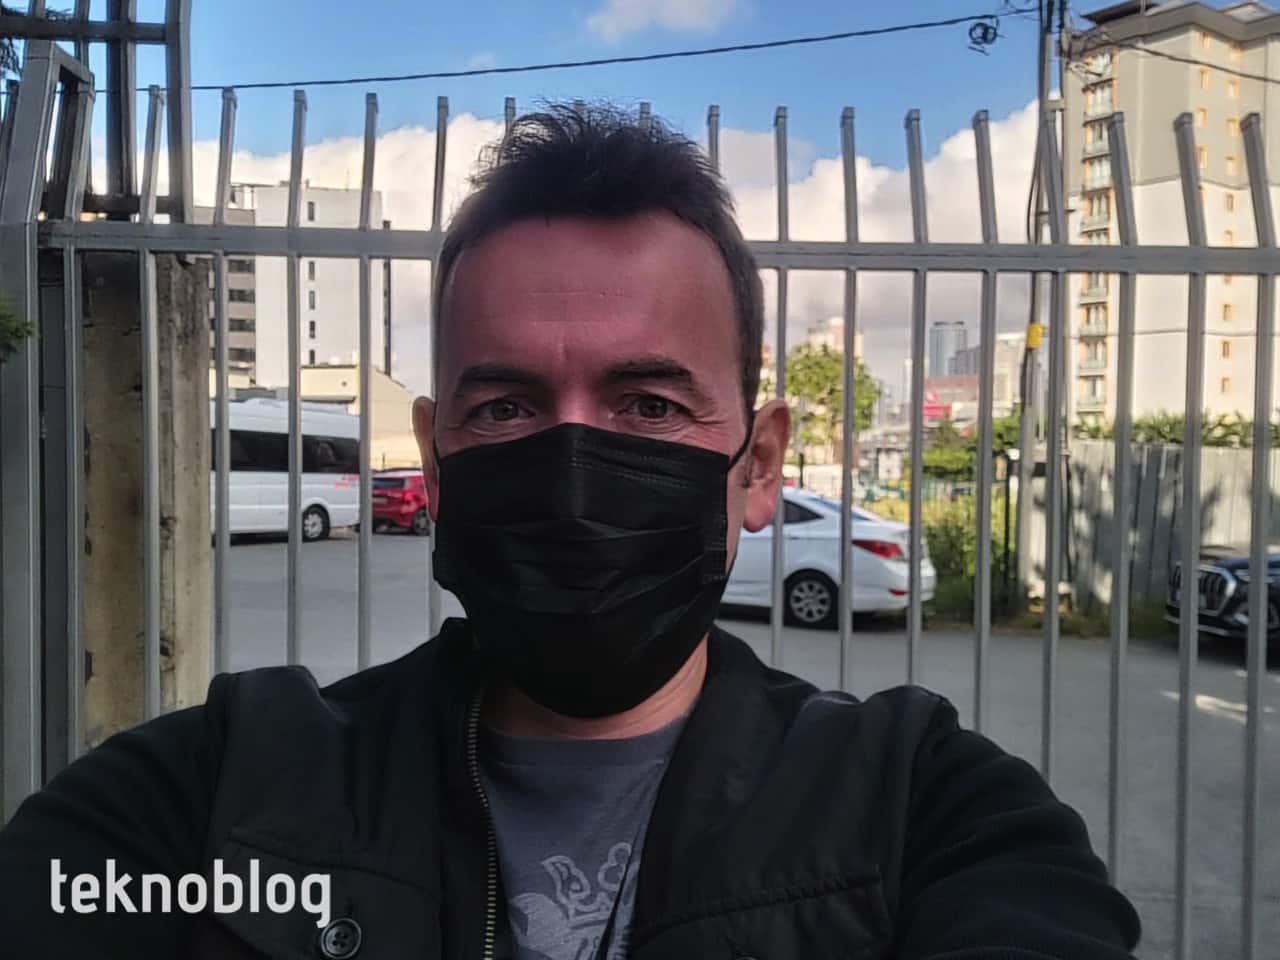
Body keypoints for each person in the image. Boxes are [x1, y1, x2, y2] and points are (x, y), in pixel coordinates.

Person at [0, 103, 1141, 960]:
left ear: (758, 464)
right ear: (435, 462)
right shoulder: (217, 792)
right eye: (506, 408)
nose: (575, 469)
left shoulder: (922, 811)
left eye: (649, 405)